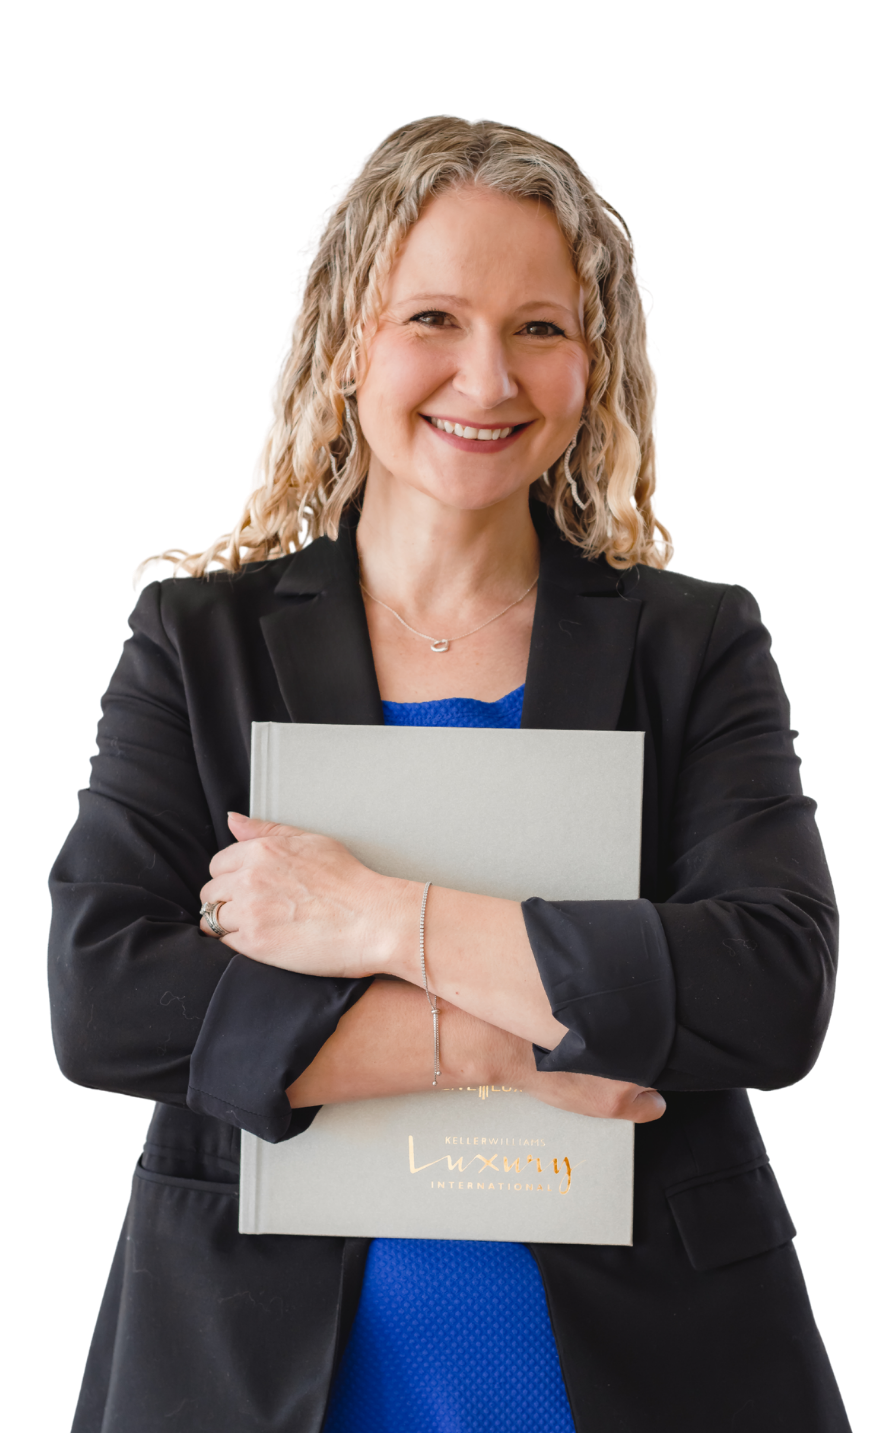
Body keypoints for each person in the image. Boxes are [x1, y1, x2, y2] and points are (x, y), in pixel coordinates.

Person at [50, 116, 851, 1432]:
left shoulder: (694, 640)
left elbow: (771, 991)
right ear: (344, 339)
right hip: (252, 1374)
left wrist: (378, 918)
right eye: (434, 317)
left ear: (593, 362)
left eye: (539, 327)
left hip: (653, 1371)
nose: (487, 380)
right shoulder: (196, 638)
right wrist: (500, 1041)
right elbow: (105, 996)